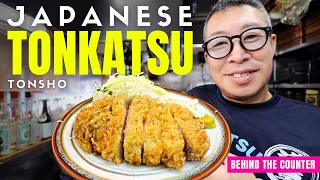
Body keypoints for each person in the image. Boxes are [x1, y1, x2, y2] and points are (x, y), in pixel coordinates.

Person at [187, 0, 320, 180]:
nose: (238, 56)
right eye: (219, 44)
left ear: (272, 43)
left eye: (251, 37)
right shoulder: (192, 103)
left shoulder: (314, 123)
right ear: (208, 58)